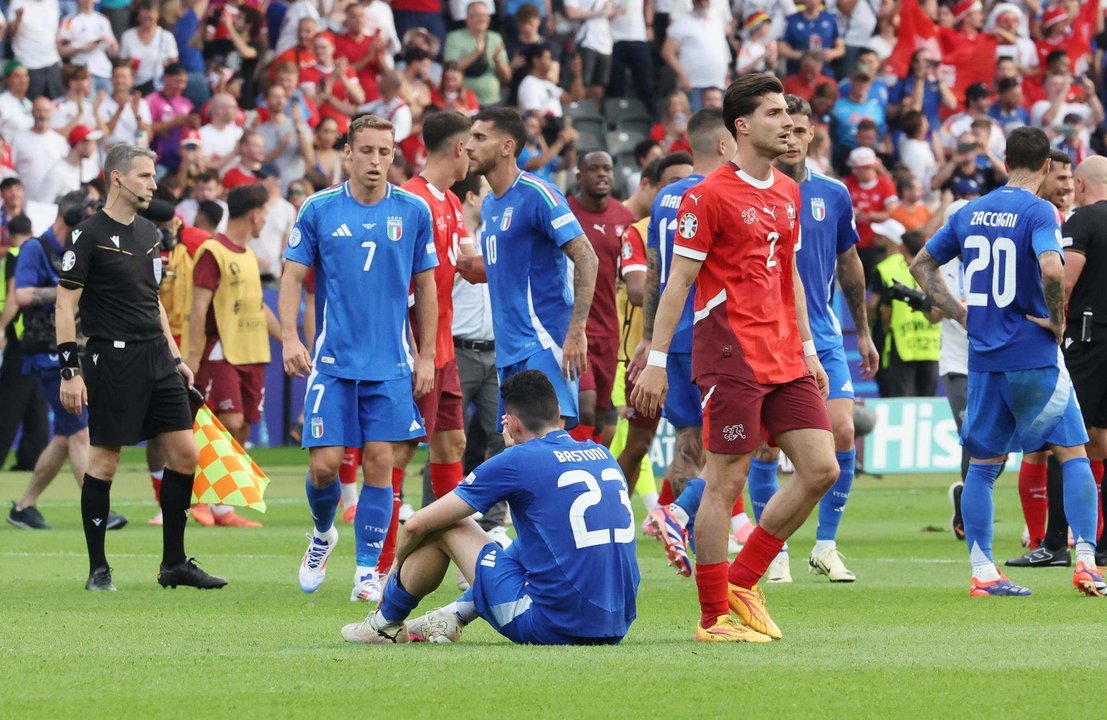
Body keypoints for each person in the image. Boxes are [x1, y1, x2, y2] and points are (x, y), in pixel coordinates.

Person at [631, 73, 839, 642]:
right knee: (726, 480)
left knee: (822, 467)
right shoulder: (708, 195)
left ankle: (744, 581)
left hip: (784, 354)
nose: (788, 125)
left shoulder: (789, 192)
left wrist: (808, 347)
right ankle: (713, 617)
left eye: (789, 116)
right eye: (774, 114)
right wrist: (653, 357)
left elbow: (790, 274)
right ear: (742, 125)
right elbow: (677, 282)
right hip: (730, 354)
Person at [910, 126, 1104, 597]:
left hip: (984, 358)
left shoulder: (970, 211)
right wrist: (1057, 321)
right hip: (1033, 356)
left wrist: (959, 314)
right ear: (1043, 168)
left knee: (982, 465)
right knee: (1073, 453)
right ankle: (1085, 564)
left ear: (1004, 163)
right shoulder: (1040, 210)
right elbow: (1053, 268)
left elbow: (920, 264)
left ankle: (982, 573)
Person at [340, 370, 639, 645]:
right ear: (558, 412)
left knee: (447, 523)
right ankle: (453, 616)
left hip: (555, 625)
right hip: (617, 622)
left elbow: (417, 523)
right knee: (541, 535)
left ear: (511, 422)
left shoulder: (518, 461)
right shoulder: (600, 452)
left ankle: (384, 623)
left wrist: (393, 573)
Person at [279, 114, 438, 603]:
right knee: (325, 467)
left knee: (379, 464)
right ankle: (323, 533)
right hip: (332, 362)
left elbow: (428, 285)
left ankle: (367, 571)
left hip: (390, 365)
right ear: (347, 151)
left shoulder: (413, 211)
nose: (375, 161)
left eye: (384, 152)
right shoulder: (318, 208)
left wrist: (427, 354)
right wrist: (289, 337)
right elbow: (291, 278)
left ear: (394, 155)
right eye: (365, 151)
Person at [56, 144, 226, 592]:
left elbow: (150, 303)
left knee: (186, 454)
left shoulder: (151, 233)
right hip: (111, 358)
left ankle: (173, 563)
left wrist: (174, 357)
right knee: (106, 461)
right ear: (117, 178)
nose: (155, 184)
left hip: (156, 356)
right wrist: (69, 369)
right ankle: (98, 569)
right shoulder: (87, 234)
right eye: (146, 176)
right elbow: (65, 301)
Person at [740, 94, 879, 583]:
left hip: (820, 334)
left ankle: (826, 544)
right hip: (766, 335)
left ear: (812, 133)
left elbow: (850, 265)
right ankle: (773, 548)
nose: (793, 139)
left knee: (841, 430)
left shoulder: (834, 194)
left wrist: (862, 332)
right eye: (786, 129)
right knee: (765, 448)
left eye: (801, 131)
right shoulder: (753, 190)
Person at [379, 111, 478, 578]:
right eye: (472, 144)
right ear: (458, 148)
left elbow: (471, 266)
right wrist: (417, 353)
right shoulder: (410, 203)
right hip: (416, 352)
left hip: (444, 350)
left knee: (451, 442)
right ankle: (379, 566)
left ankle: (459, 550)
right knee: (400, 452)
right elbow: (399, 287)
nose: (475, 153)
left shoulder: (453, 204)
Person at [637, 109, 736, 571]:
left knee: (688, 444)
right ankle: (685, 523)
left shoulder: (664, 199)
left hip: (672, 337)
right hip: (712, 333)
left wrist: (648, 340)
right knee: (739, 443)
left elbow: (658, 271)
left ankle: (684, 534)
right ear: (723, 145)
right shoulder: (722, 194)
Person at [462, 107, 598, 427]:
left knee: (545, 446)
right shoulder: (492, 204)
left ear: (507, 147)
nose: (468, 145)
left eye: (479, 137)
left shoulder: (538, 194)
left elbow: (587, 256)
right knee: (514, 450)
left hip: (542, 341)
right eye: (470, 137)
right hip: (508, 351)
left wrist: (576, 332)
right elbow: (512, 268)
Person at [9, 191, 128, 532]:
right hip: (47, 351)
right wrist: (69, 291)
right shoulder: (35, 248)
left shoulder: (79, 249)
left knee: (65, 434)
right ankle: (96, 510)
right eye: (89, 213)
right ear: (72, 215)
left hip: (73, 348)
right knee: (79, 429)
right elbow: (21, 295)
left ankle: (24, 506)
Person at [186, 183, 280, 529]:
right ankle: (195, 496)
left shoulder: (249, 256)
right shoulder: (213, 251)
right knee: (229, 423)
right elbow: (198, 310)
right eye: (265, 214)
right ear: (254, 214)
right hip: (221, 349)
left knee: (241, 431)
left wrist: (289, 339)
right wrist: (192, 358)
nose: (266, 221)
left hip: (253, 352)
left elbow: (258, 307)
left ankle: (222, 507)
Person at [568, 151, 635, 447]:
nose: (601, 174)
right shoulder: (564, 213)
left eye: (607, 168)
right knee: (584, 405)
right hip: (573, 327)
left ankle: (588, 465)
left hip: (609, 329)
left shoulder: (624, 217)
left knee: (599, 414)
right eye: (593, 168)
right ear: (579, 175)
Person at [0, 213, 50, 479]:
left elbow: (13, 295)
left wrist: (0, 327)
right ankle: (31, 457)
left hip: (19, 335)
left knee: (9, 399)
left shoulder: (15, 255)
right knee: (35, 401)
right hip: (39, 335)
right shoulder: (40, 251)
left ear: (9, 232)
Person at [872, 229, 942, 398]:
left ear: (903, 248)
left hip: (902, 344)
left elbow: (882, 310)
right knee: (928, 400)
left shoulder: (888, 270)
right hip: (930, 346)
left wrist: (883, 328)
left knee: (902, 399)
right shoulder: (935, 271)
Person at [39, 125, 103, 204]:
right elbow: (44, 204)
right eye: (91, 143)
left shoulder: (88, 167)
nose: (94, 147)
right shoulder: (57, 172)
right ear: (80, 145)